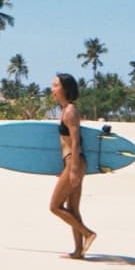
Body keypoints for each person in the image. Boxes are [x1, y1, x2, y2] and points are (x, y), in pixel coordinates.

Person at [49, 72, 97, 259]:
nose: (52, 89)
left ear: (65, 89)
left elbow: (76, 141)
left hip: (74, 161)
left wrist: (74, 169)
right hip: (71, 162)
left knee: (54, 206)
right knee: (73, 208)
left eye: (55, 86)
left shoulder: (70, 111)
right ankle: (78, 251)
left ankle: (88, 233)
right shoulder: (65, 110)